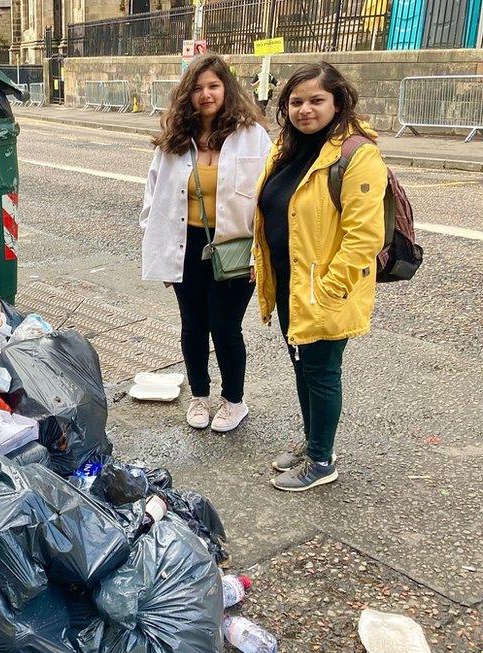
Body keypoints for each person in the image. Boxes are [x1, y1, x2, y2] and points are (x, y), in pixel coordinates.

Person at [254, 62, 387, 492]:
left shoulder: (357, 155)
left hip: (324, 289)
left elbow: (363, 237)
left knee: (323, 371)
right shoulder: (288, 148)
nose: (305, 109)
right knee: (302, 366)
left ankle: (322, 461)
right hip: (289, 282)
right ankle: (314, 442)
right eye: (296, 101)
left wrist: (328, 290)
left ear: (337, 101)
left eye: (316, 100)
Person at [140, 54, 272, 433]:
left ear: (226, 89)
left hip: (235, 244)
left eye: (213, 86)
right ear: (188, 94)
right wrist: (160, 254)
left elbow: (267, 197)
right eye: (197, 88)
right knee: (193, 324)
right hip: (186, 243)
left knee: (225, 326)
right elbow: (154, 196)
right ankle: (199, 396)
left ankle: (234, 401)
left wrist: (258, 254)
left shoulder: (252, 136)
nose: (206, 94)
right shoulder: (175, 140)